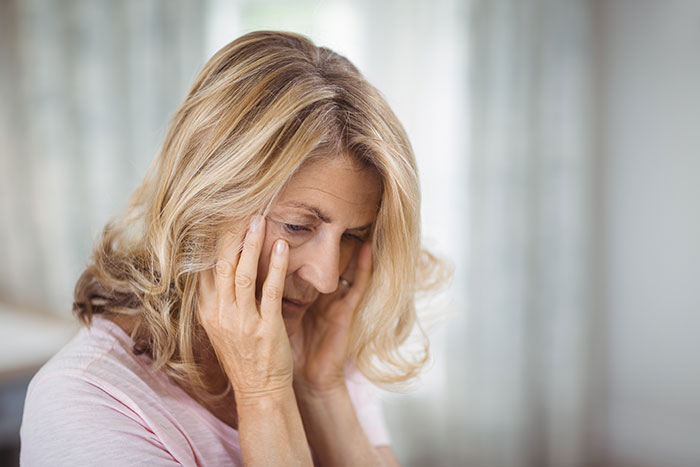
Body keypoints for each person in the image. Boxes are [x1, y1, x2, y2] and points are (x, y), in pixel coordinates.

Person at [20, 31, 446, 466]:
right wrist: (264, 394)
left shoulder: (317, 339)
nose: (324, 277)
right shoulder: (88, 400)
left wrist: (322, 389)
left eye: (353, 236)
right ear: (207, 202)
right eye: (299, 226)